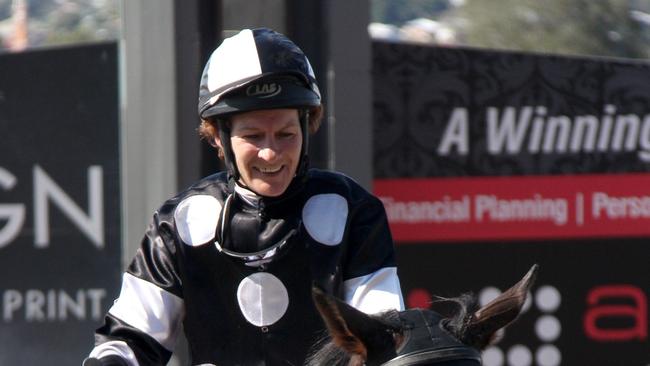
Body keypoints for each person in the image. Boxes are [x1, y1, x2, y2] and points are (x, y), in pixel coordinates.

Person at [84, 27, 404, 366]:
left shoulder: (355, 211)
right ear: (218, 137)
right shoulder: (179, 222)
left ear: (307, 127)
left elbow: (380, 334)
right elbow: (131, 338)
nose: (270, 154)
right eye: (253, 136)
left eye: (286, 134)